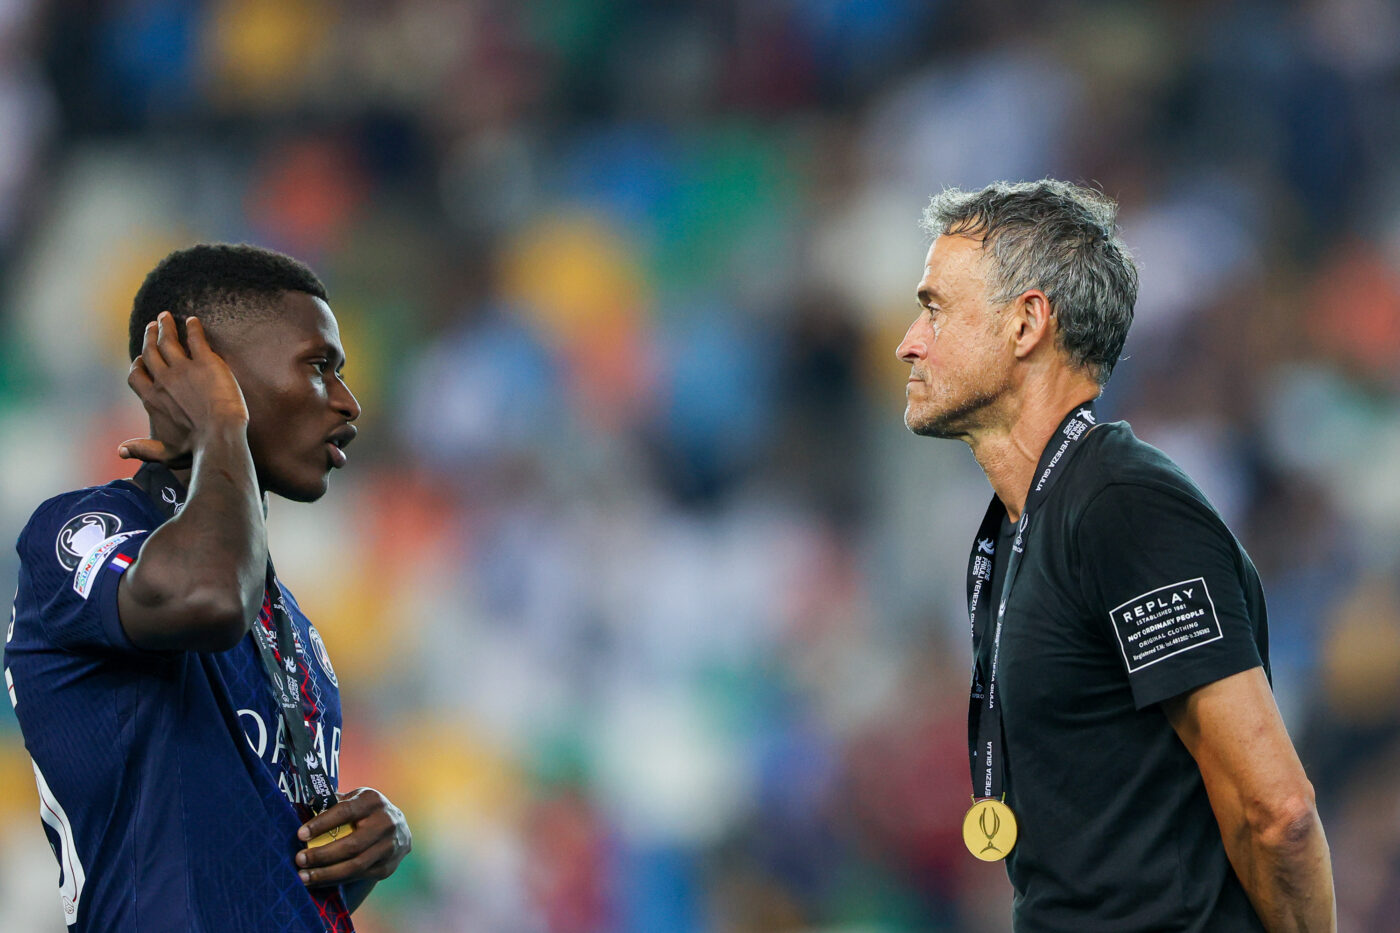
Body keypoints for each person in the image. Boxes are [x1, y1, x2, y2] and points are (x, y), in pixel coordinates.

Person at [895, 180, 1334, 932]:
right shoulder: (1016, 533)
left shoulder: (1125, 508)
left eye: (935, 308)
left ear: (1027, 322)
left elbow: (1279, 813)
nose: (909, 340)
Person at [3, 244, 411, 931]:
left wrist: (364, 854)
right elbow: (211, 599)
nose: (348, 401)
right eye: (318, 367)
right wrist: (221, 422)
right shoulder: (79, 534)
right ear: (209, 371)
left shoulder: (290, 627)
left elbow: (250, 878)